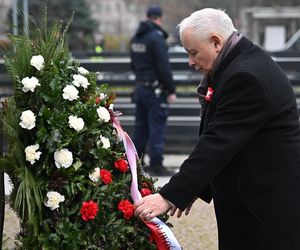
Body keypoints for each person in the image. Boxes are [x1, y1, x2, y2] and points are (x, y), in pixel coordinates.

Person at [134, 8, 300, 250]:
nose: (190, 62)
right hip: (256, 200)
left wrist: (168, 195)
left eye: (193, 53)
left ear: (216, 42)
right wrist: (196, 187)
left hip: (265, 207)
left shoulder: (246, 77)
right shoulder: (240, 64)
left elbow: (218, 142)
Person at [130, 5, 176, 176]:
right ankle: (156, 165)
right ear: (159, 18)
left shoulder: (137, 38)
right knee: (157, 126)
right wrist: (171, 89)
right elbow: (164, 67)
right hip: (155, 91)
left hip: (141, 88)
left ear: (147, 16)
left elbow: (134, 65)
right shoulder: (156, 38)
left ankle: (137, 162)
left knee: (141, 127)